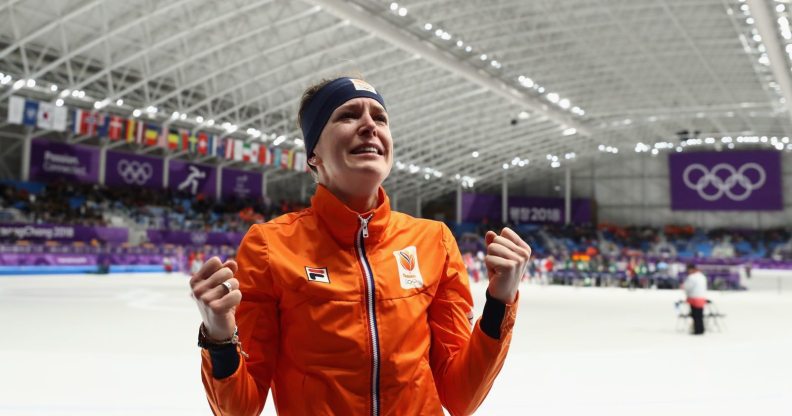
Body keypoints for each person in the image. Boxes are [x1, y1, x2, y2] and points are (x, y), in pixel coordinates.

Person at [189, 77, 531, 415]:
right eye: (348, 115)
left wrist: (501, 301)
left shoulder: (434, 241)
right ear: (313, 155)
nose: (369, 125)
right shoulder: (269, 246)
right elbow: (239, 409)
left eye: (380, 118)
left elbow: (461, 396)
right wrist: (219, 337)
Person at [683, 263, 708, 335]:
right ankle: (701, 329)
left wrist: (687, 293)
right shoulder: (702, 276)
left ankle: (697, 330)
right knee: (700, 315)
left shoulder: (692, 277)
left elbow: (687, 287)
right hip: (702, 297)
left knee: (695, 315)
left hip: (694, 298)